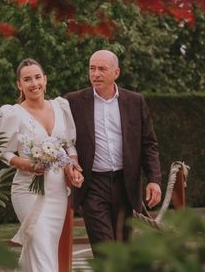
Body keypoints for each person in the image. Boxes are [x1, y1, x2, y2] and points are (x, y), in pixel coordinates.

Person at [0, 58, 84, 272]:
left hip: (57, 192)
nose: (34, 83)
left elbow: (69, 145)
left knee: (38, 253)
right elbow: (3, 152)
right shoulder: (12, 114)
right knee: (42, 249)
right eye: (27, 79)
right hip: (27, 191)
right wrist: (26, 164)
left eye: (38, 77)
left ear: (46, 79)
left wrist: (74, 168)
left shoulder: (60, 107)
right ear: (19, 85)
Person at [66, 49, 162, 249]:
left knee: (122, 246)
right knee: (105, 247)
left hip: (125, 185)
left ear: (116, 73)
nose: (96, 74)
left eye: (102, 69)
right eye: (92, 69)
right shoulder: (73, 102)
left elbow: (148, 144)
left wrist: (154, 180)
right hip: (92, 185)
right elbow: (63, 139)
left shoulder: (135, 102)